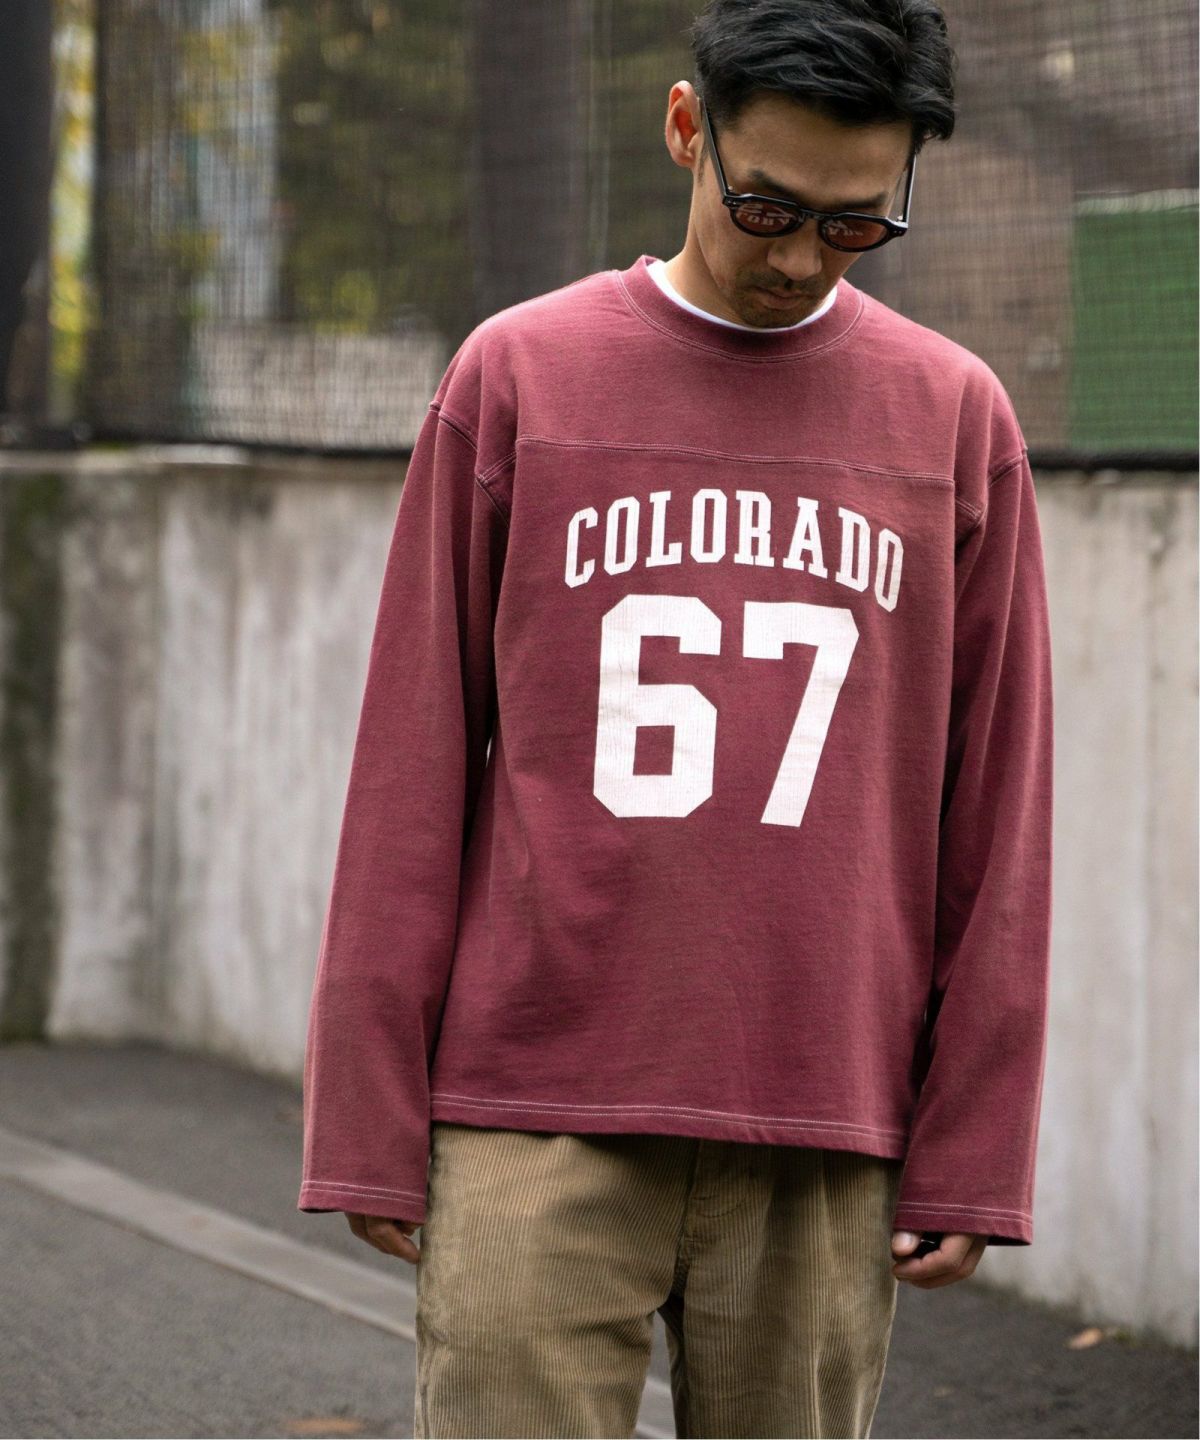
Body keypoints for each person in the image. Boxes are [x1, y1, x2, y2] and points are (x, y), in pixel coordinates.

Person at [297, 1, 1054, 1435]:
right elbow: (410, 763)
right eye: (766, 206)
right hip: (533, 1104)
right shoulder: (519, 376)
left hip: (827, 1118)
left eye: (854, 224)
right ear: (686, 128)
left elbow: (999, 809)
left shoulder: (955, 420)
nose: (798, 257)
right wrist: (367, 1110)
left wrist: (976, 1138)